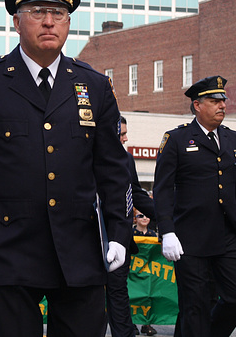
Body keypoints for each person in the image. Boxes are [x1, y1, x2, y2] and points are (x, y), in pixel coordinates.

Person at [0, 0, 131, 337]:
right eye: (37, 11)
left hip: (79, 250)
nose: (49, 22)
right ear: (16, 21)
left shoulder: (94, 86)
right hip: (11, 248)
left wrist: (119, 234)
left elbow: (114, 170)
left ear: (69, 22)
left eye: (58, 13)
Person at [153, 75, 236, 337]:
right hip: (191, 237)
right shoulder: (177, 139)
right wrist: (167, 231)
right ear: (197, 105)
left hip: (228, 235)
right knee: (195, 306)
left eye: (223, 100)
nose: (222, 105)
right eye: (214, 101)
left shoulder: (233, 139)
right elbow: (162, 189)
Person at [107, 116, 157, 337]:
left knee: (118, 292)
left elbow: (136, 193)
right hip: (90, 237)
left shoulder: (127, 159)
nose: (126, 138)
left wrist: (167, 218)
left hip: (121, 237)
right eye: (121, 134)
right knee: (87, 298)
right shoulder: (84, 155)